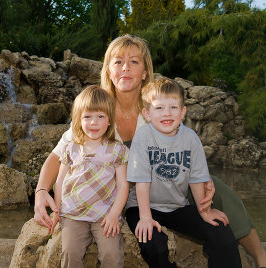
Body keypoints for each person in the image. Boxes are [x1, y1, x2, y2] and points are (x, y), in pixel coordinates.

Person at [34, 34, 266, 267]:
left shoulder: (158, 107)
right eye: (118, 62)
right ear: (108, 70)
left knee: (217, 188)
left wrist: (201, 177)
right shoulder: (96, 110)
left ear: (145, 71)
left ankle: (259, 256)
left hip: (165, 185)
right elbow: (59, 156)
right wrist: (42, 190)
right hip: (114, 194)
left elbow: (183, 149)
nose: (126, 68)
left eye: (134, 61)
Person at [126, 77, 241, 268]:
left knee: (220, 232)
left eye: (173, 107)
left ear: (183, 112)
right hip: (142, 206)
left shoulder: (190, 138)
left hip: (177, 206)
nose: (167, 114)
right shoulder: (144, 136)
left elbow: (196, 178)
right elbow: (142, 181)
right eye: (159, 108)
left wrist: (205, 212)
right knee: (154, 244)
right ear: (147, 114)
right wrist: (145, 217)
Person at [51, 85, 129, 267]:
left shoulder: (117, 150)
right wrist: (57, 211)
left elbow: (123, 185)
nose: (94, 122)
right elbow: (60, 181)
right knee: (70, 253)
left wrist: (114, 214)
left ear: (110, 120)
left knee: (112, 254)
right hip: (73, 213)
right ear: (78, 119)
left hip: (104, 214)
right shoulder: (70, 148)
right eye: (87, 117)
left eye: (100, 116)